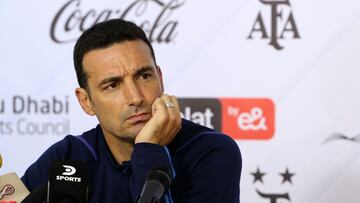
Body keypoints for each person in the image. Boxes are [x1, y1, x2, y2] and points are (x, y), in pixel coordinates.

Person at [21, 19, 242, 203]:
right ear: (86, 101)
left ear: (160, 78)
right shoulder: (69, 158)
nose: (135, 97)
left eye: (144, 76)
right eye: (113, 85)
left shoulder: (209, 151)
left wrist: (149, 149)